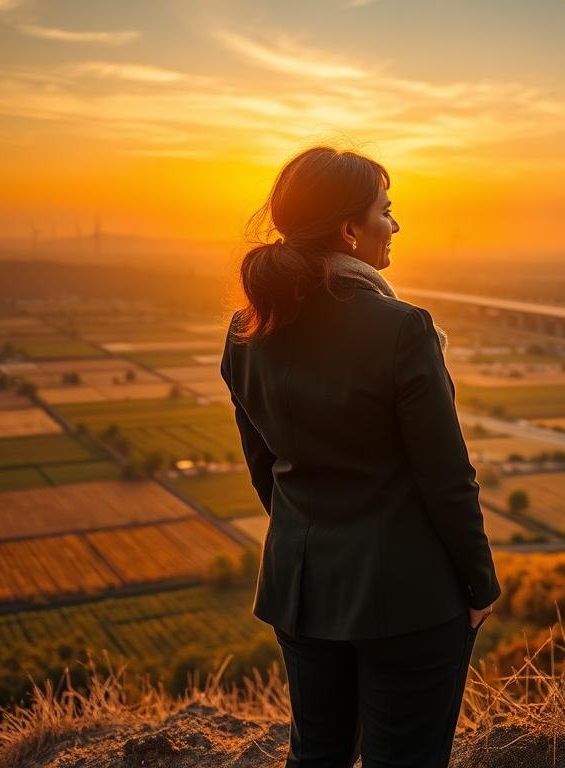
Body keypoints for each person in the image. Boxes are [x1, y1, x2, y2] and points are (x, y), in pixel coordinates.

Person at [219, 144, 501, 767]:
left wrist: (311, 540)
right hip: (410, 597)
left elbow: (266, 473)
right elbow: (448, 477)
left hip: (301, 587)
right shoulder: (401, 328)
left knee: (316, 754)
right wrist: (479, 584)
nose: (395, 226)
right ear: (349, 229)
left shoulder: (247, 332)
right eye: (386, 210)